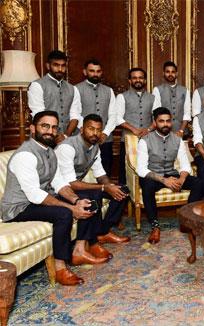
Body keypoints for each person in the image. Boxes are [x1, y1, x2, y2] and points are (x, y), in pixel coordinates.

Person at [1, 111, 96, 285]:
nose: (50, 131)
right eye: (45, 126)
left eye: (54, 127)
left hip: (36, 201)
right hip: (18, 208)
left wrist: (76, 201)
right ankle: (60, 269)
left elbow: (59, 181)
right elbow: (35, 194)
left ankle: (80, 251)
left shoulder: (50, 152)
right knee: (63, 214)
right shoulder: (25, 155)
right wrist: (71, 209)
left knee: (87, 197)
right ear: (32, 128)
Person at [55, 114, 131, 260]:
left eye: (98, 130)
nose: (95, 133)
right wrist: (104, 188)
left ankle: (102, 232)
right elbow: (70, 182)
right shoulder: (67, 147)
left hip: (76, 186)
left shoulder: (95, 147)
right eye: (91, 129)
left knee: (123, 190)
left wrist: (111, 187)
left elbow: (100, 173)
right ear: (82, 129)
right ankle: (88, 245)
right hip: (60, 190)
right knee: (94, 195)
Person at [137, 108, 204, 244]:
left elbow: (185, 165)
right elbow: (141, 169)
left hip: (171, 173)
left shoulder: (177, 140)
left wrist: (181, 179)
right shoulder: (144, 141)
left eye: (168, 121)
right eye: (161, 121)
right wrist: (164, 180)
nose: (165, 124)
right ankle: (155, 226)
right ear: (155, 123)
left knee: (198, 183)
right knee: (147, 186)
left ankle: (187, 220)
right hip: (153, 175)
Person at [114, 67, 158, 184]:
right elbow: (117, 118)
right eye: (134, 78)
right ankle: (124, 199)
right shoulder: (122, 97)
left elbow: (158, 118)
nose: (138, 80)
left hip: (148, 141)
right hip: (128, 140)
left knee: (147, 170)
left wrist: (148, 130)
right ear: (129, 80)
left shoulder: (153, 98)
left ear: (144, 80)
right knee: (126, 172)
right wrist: (134, 130)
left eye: (140, 78)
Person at [74, 59, 117, 176]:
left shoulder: (109, 90)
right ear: (85, 72)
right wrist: (88, 132)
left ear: (101, 72)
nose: (95, 74)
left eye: (98, 71)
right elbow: (75, 114)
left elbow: (113, 115)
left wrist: (105, 133)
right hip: (83, 139)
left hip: (105, 139)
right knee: (83, 172)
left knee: (105, 169)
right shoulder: (76, 89)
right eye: (92, 71)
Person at [28, 50, 82, 142]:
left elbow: (75, 116)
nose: (60, 69)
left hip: (67, 139)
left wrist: (65, 135)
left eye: (63, 66)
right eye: (56, 65)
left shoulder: (73, 89)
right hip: (43, 138)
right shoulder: (37, 85)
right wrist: (53, 135)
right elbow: (39, 115)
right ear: (48, 66)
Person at [152, 61, 191, 137]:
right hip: (163, 132)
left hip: (182, 132)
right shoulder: (157, 89)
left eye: (173, 72)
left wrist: (181, 131)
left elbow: (187, 113)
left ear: (176, 74)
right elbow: (156, 113)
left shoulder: (185, 90)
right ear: (163, 73)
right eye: (167, 72)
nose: (170, 74)